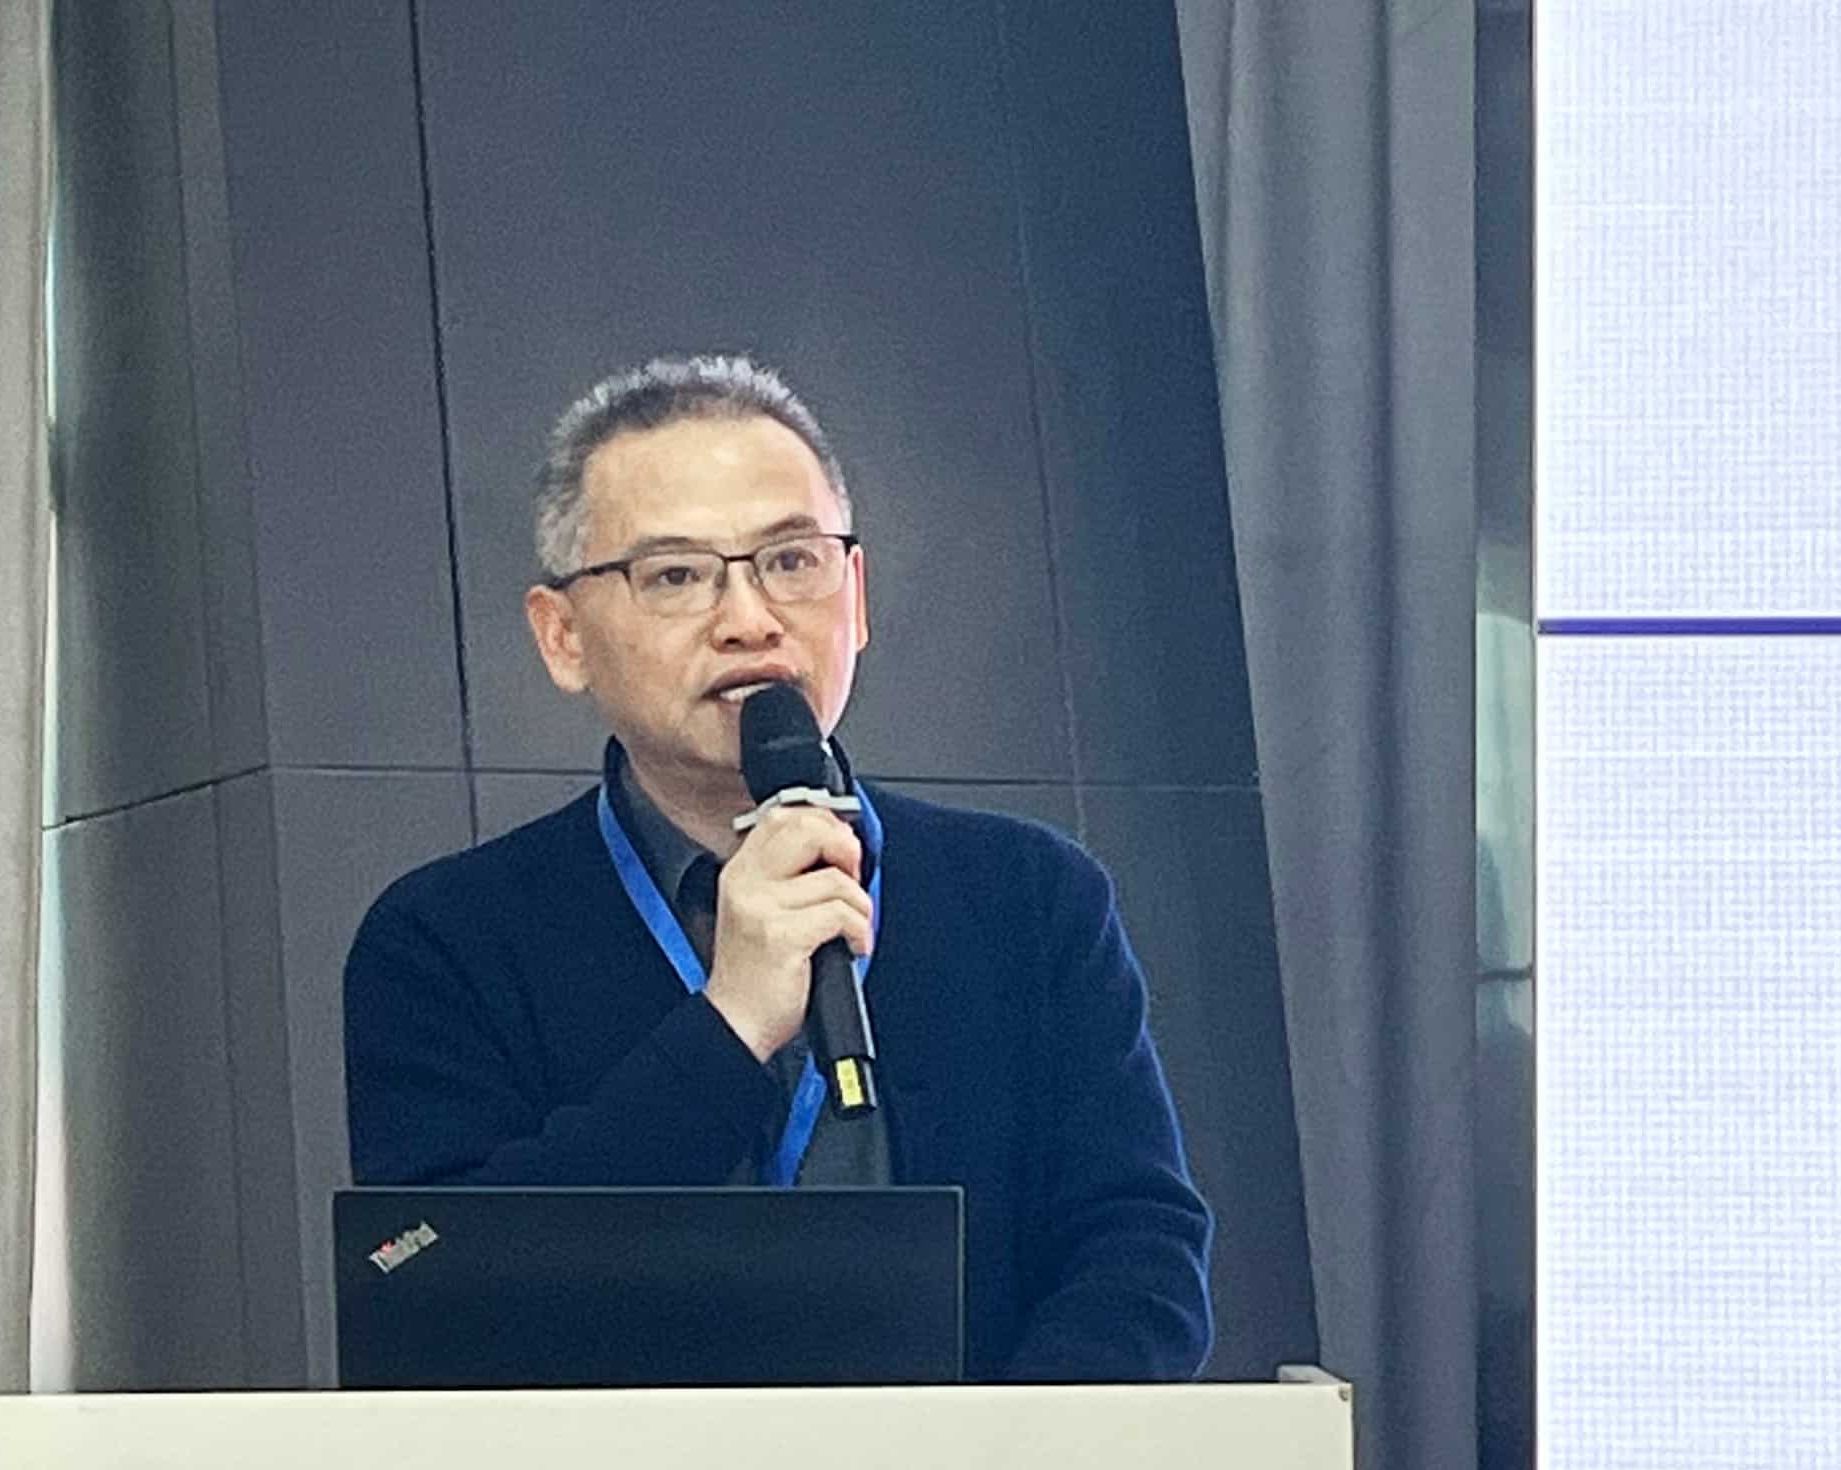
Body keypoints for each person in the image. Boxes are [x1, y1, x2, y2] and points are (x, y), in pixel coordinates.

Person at [342, 353, 1212, 1382]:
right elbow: (433, 1296)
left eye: (792, 560)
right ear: (563, 635)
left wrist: (1000, 1462)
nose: (751, 618)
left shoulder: (1029, 897)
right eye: (676, 576)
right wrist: (729, 1029)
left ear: (857, 596)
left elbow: (1141, 1257)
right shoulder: (446, 939)